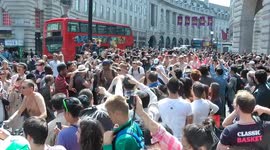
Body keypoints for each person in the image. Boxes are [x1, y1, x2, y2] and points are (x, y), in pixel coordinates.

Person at [134, 95, 215, 150]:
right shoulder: (177, 147)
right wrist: (141, 113)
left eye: (185, 146)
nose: (181, 147)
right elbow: (159, 131)